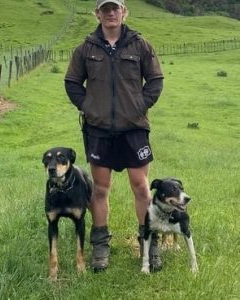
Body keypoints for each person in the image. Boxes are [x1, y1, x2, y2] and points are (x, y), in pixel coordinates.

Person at [64, 0, 164, 272]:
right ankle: (100, 245)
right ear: (97, 14)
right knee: (100, 188)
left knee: (141, 187)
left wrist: (139, 105)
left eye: (115, 8)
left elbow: (155, 80)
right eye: (105, 9)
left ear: (124, 12)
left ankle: (148, 243)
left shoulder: (140, 45)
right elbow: (72, 82)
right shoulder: (85, 49)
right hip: (99, 130)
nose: (110, 13)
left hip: (134, 129)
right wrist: (88, 107)